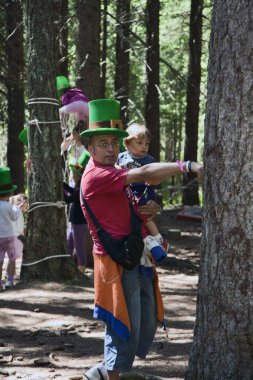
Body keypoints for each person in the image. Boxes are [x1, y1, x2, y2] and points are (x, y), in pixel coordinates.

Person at [80, 99, 203, 380]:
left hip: (136, 254)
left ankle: (101, 374)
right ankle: (106, 376)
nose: (110, 149)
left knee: (145, 323)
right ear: (90, 148)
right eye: (103, 143)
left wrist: (151, 209)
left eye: (113, 142)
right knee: (123, 325)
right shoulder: (98, 175)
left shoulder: (114, 172)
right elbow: (146, 173)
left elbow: (133, 201)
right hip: (115, 263)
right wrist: (188, 165)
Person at [117, 123, 168, 264]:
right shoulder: (121, 158)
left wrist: (154, 179)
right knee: (133, 220)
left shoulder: (149, 160)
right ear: (126, 143)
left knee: (146, 218)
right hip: (126, 195)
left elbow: (157, 178)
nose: (144, 147)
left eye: (146, 143)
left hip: (143, 194)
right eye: (139, 143)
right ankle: (147, 244)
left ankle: (158, 239)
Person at [63, 150, 91, 273]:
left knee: (79, 248)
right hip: (74, 223)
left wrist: (61, 190)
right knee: (69, 245)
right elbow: (71, 191)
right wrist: (63, 185)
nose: (73, 175)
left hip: (79, 224)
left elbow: (68, 199)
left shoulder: (81, 188)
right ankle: (68, 268)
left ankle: (82, 270)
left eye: (74, 173)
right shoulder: (77, 186)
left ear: (79, 176)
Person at [0, 168, 18, 290]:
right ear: (10, 193)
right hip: (9, 236)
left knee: (0, 261)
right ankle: (9, 280)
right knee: (12, 259)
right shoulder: (9, 206)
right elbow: (14, 217)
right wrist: (17, 208)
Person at [7, 193, 28, 288]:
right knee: (13, 260)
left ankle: (11, 277)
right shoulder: (18, 212)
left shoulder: (13, 210)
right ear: (23, 203)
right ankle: (9, 280)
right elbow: (20, 228)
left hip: (10, 237)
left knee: (11, 259)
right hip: (16, 238)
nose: (28, 207)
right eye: (27, 204)